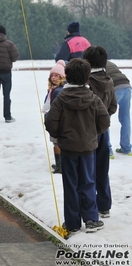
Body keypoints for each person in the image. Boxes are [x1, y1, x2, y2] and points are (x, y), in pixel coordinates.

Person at [45, 58, 109, 235]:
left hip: (67, 149)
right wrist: (92, 134)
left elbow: (50, 122)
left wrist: (60, 135)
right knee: (88, 182)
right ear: (87, 77)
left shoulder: (60, 99)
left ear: (67, 76)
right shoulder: (94, 99)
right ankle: (91, 219)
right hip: (88, 149)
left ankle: (72, 222)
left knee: (71, 184)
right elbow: (104, 121)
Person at [83, 46, 117, 219]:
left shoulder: (87, 82)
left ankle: (90, 207)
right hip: (104, 131)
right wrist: (104, 119)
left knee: (88, 170)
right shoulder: (109, 80)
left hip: (88, 132)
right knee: (102, 169)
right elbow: (113, 106)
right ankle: (105, 205)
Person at [42, 60, 66, 174]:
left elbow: (54, 108)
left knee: (56, 143)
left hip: (56, 122)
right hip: (55, 120)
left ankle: (60, 166)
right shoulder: (53, 89)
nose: (54, 78)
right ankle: (60, 163)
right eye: (52, 75)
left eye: (57, 75)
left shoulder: (58, 91)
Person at [105, 60, 132, 157]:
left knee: (105, 119)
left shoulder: (95, 64)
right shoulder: (110, 63)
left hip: (115, 88)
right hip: (127, 86)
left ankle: (108, 150)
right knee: (125, 118)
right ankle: (126, 148)